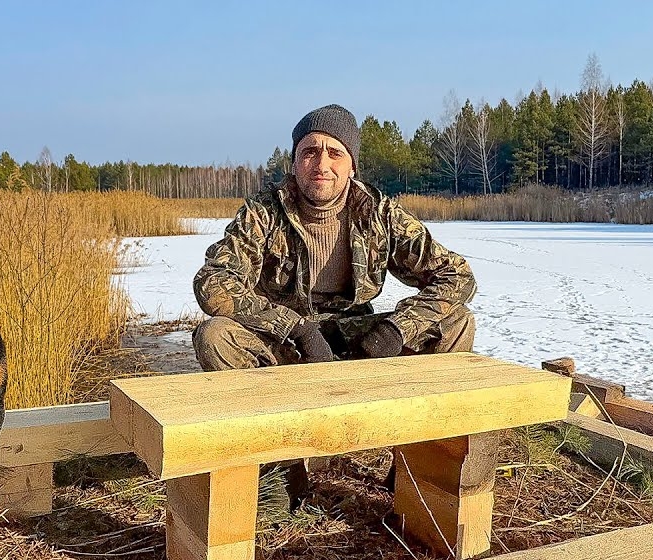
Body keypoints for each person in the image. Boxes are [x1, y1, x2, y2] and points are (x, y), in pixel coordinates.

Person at [191, 103, 477, 371]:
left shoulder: (379, 213)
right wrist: (295, 328)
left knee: (457, 321)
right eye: (310, 152)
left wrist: (396, 330)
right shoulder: (263, 213)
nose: (321, 164)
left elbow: (457, 276)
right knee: (215, 336)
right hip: (287, 344)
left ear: (352, 166)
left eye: (335, 153)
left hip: (359, 341)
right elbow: (213, 282)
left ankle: (418, 416)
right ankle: (271, 419)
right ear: (294, 163)